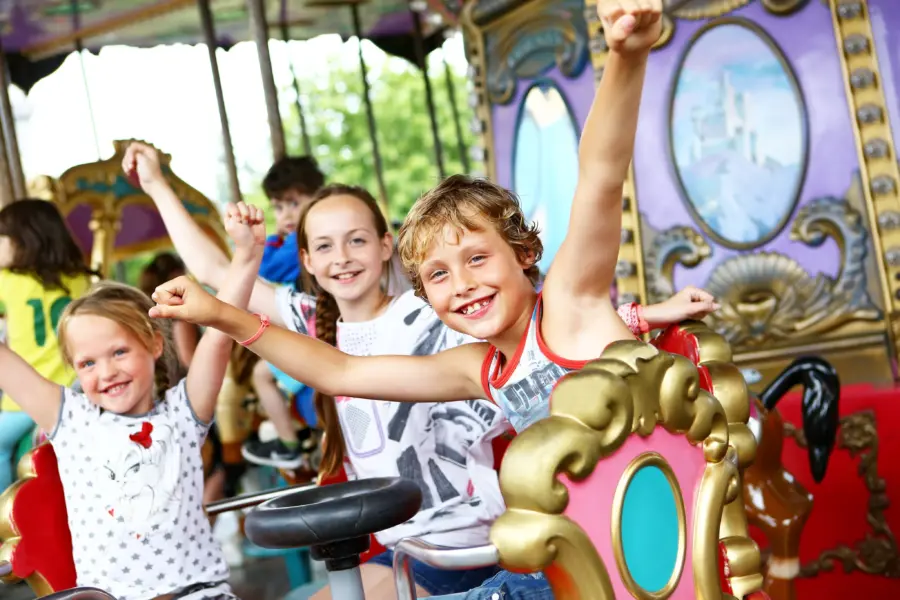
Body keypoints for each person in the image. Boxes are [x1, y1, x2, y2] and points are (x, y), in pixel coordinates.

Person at [147, 1, 703, 597]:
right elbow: (339, 372)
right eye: (438, 275)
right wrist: (220, 315)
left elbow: (600, 176)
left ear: (522, 252)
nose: (461, 283)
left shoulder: (569, 307)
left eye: (477, 258)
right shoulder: (480, 367)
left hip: (635, 565)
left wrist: (626, 55)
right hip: (577, 567)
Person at [0, 200, 264, 600]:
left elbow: (218, 337)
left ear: (154, 344)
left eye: (119, 352)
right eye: (88, 363)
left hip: (198, 593)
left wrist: (246, 256)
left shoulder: (183, 412)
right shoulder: (71, 420)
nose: (106, 372)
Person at [0, 199, 95, 492]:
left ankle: (7, 512)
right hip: (75, 389)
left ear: (22, 241)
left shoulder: (6, 281)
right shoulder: (80, 278)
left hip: (24, 398)